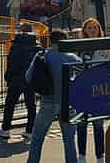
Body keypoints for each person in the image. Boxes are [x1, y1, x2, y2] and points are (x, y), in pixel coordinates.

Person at [26, 30, 81, 163]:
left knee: (37, 137)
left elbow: (28, 77)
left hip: (48, 101)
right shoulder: (72, 58)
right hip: (67, 102)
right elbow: (83, 76)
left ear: (50, 41)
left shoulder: (42, 56)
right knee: (69, 140)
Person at [0, 23, 40, 141]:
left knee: (10, 104)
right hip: (31, 79)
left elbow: (12, 63)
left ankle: (5, 129)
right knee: (31, 105)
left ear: (20, 31)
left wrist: (8, 77)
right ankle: (30, 130)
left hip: (17, 79)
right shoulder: (37, 46)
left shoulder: (16, 45)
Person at [75, 19, 110, 163]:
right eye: (89, 28)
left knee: (98, 124)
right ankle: (82, 155)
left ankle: (100, 156)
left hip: (99, 89)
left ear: (99, 29)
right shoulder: (79, 46)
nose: (92, 30)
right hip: (83, 89)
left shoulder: (106, 46)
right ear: (84, 30)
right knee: (81, 122)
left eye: (95, 27)